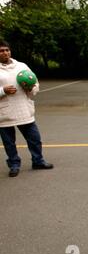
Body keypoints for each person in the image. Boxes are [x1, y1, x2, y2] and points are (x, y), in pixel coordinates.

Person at [0, 40, 53, 177]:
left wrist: (31, 88)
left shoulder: (21, 66)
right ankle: (14, 165)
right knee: (9, 143)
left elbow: (34, 82)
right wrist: (2, 90)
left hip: (23, 108)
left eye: (7, 50)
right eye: (1, 51)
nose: (5, 53)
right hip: (4, 112)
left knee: (34, 138)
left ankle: (38, 161)